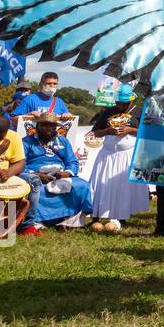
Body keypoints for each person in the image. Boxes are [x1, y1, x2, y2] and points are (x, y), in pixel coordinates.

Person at [86, 85, 148, 232]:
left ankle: (121, 216)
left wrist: (130, 130)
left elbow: (147, 132)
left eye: (123, 103)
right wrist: (108, 130)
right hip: (107, 154)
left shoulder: (139, 112)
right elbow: (95, 132)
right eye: (118, 102)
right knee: (101, 183)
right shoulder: (108, 112)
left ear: (130, 101)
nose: (119, 105)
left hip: (127, 154)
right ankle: (97, 216)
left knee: (123, 186)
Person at [22, 111, 94, 229]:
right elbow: (20, 164)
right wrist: (37, 174)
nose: (48, 128)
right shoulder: (26, 142)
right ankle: (38, 221)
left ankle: (70, 221)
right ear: (37, 126)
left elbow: (72, 162)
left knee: (82, 186)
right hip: (35, 175)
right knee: (38, 189)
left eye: (52, 126)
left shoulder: (63, 141)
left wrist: (66, 173)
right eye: (45, 125)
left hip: (59, 174)